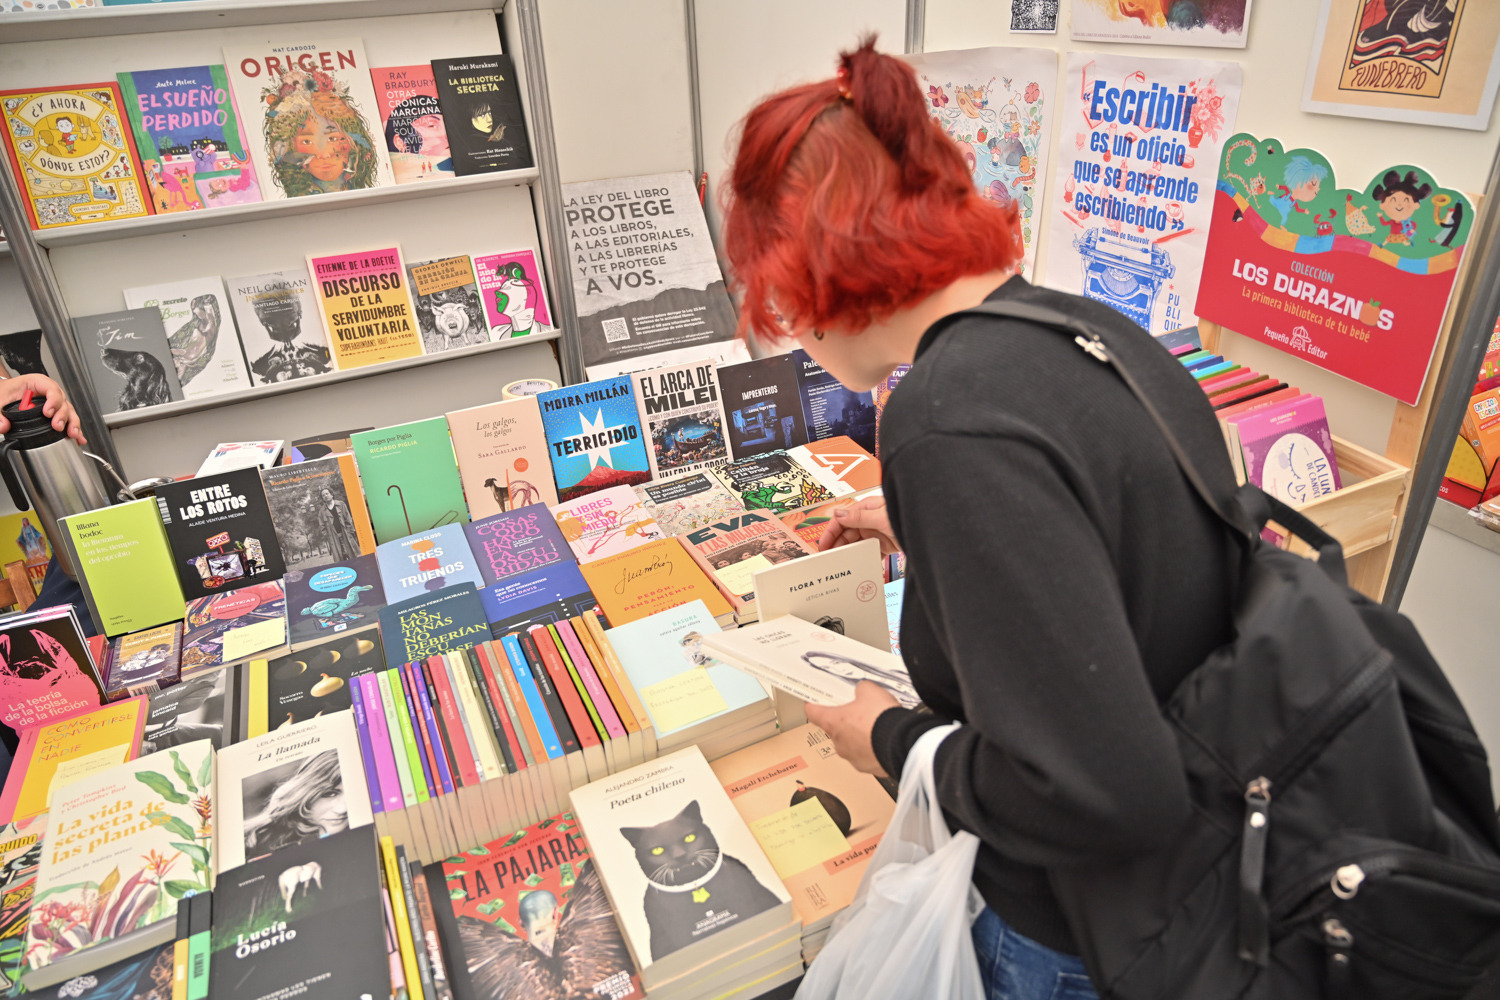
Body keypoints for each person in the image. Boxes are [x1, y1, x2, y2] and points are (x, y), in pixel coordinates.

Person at [722, 38, 1237, 1000]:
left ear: (815, 270)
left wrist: (889, 736)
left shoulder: (947, 419)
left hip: (1071, 929)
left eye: (779, 296)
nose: (789, 322)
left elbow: (1103, 792)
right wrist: (918, 522)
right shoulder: (1087, 332)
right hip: (1207, 876)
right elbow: (1121, 570)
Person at [242, 750, 349, 856]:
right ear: (304, 792)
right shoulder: (252, 841)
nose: (343, 809)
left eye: (351, 793)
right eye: (330, 794)